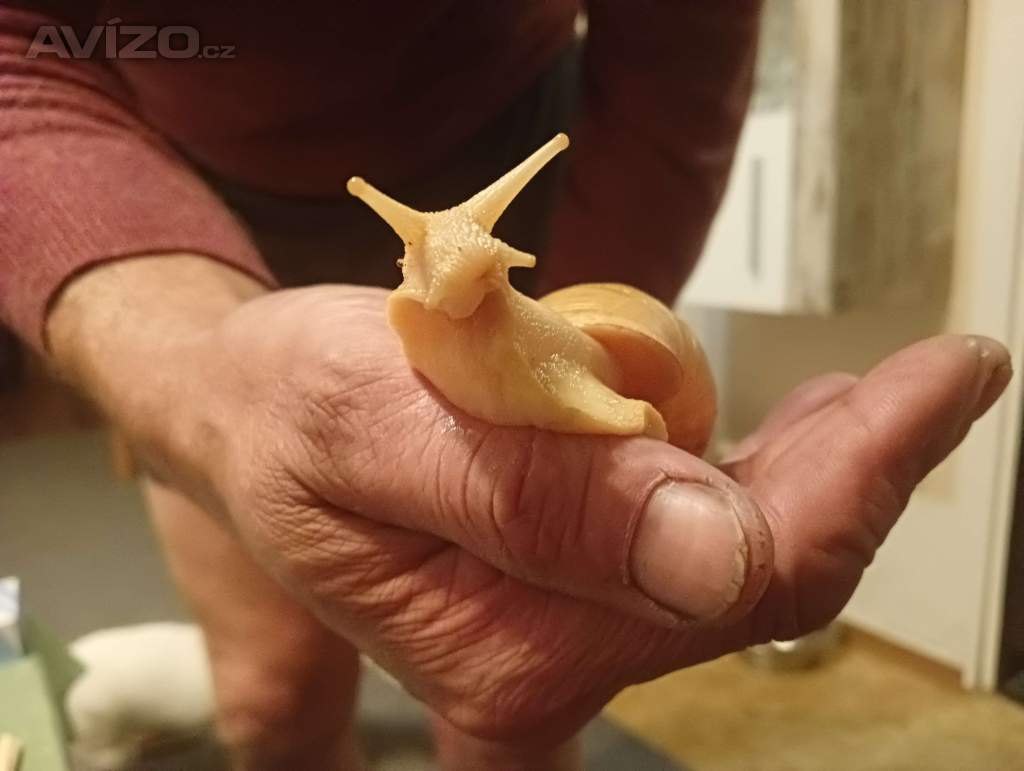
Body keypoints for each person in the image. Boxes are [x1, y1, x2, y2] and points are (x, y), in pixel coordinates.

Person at [0, 2, 1012, 770]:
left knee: (514, 707)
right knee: (273, 696)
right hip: (179, 202)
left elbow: (684, 37)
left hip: (518, 177)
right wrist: (180, 348)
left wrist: (584, 380)